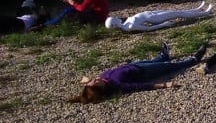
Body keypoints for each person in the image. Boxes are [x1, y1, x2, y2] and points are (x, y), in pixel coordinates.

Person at [69, 42, 206, 104]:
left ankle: (163, 55)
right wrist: (164, 85)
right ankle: (193, 60)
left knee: (155, 60)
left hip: (134, 65)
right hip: (144, 73)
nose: (92, 80)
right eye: (92, 82)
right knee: (169, 66)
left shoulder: (102, 80)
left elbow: (88, 83)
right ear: (99, 86)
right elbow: (140, 87)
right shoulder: (118, 85)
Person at [105, 2, 213, 32]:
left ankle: (197, 9)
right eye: (114, 19)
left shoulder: (125, 23)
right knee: (178, 14)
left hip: (151, 13)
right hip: (155, 19)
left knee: (176, 11)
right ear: (114, 24)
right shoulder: (128, 27)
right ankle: (205, 13)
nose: (116, 17)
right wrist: (164, 24)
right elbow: (148, 28)